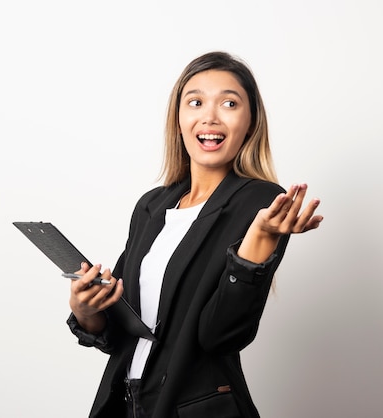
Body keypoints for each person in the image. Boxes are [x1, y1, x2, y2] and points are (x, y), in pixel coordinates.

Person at [67, 51, 323, 418]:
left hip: (194, 408)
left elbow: (220, 335)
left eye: (229, 103)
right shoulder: (151, 206)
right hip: (125, 402)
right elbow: (124, 331)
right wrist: (87, 310)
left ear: (249, 123)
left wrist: (260, 240)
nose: (210, 116)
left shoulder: (260, 201)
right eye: (196, 102)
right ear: (179, 119)